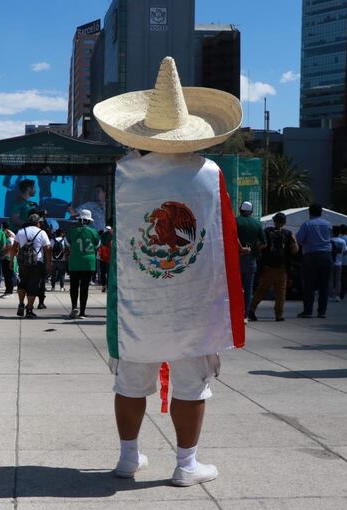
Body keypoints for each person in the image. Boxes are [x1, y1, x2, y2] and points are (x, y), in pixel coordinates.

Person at [93, 56, 246, 487]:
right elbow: (221, 241)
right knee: (191, 384)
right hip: (193, 303)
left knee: (130, 380)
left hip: (138, 301)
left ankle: (128, 457)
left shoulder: (125, 174)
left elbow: (123, 240)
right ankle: (186, 464)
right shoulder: (209, 174)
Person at [248, 212, 298, 322]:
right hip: (282, 267)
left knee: (261, 290)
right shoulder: (288, 233)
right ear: (284, 222)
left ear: (274, 221)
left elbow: (259, 245)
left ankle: (251, 309)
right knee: (280, 293)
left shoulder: (267, 232)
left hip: (267, 266)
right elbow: (295, 250)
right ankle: (278, 315)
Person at [10, 213, 51, 318]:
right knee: (33, 286)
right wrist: (48, 264)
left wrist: (11, 261)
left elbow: (14, 248)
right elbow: (47, 249)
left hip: (23, 262)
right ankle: (29, 310)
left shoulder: (21, 231)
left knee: (22, 283)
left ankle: (21, 304)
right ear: (38, 223)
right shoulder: (42, 233)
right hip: (37, 262)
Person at [296, 204, 333, 318]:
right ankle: (322, 311)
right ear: (321, 212)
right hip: (326, 255)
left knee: (309, 284)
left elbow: (299, 239)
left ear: (309, 212)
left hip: (311, 255)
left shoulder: (307, 224)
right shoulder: (328, 224)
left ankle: (308, 311)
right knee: (324, 285)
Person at [66, 210, 100, 319]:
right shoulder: (93, 232)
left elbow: (67, 244)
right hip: (88, 262)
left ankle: (74, 307)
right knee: (84, 287)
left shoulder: (72, 231)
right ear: (89, 221)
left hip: (75, 261)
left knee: (74, 286)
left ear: (79, 220)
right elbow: (97, 245)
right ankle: (82, 312)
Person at [236, 201, 265, 321]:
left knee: (236, 288)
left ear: (240, 210)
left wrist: (241, 248)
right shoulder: (257, 224)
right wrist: (252, 249)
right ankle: (245, 315)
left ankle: (236, 314)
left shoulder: (235, 221)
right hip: (251, 259)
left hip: (237, 258)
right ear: (251, 211)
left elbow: (233, 236)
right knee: (248, 289)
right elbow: (264, 243)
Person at [330, 226, 347, 303]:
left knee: (330, 279)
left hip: (330, 262)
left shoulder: (329, 240)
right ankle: (337, 296)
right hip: (339, 262)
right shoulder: (342, 241)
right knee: (338, 280)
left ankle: (330, 295)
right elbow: (345, 252)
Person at [1, 223, 16, 295]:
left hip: (8, 259)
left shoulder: (10, 239)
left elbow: (11, 249)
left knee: (9, 276)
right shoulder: (9, 239)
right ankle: (7, 291)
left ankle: (9, 291)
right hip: (7, 258)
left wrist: (4, 256)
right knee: (6, 276)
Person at [98, 226, 113, 293]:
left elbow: (99, 246)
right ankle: (108, 286)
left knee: (103, 273)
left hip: (102, 258)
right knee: (109, 273)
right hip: (109, 258)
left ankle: (104, 285)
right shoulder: (113, 236)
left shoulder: (102, 237)